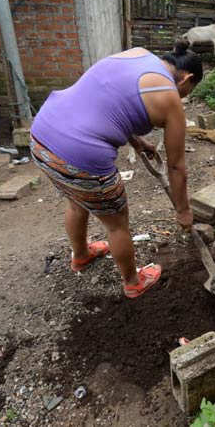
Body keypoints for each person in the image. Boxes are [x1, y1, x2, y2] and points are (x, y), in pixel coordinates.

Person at [29, 40, 203, 299]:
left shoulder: (137, 54)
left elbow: (109, 99)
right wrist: (184, 210)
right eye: (187, 92)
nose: (183, 97)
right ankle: (133, 282)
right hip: (81, 157)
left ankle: (81, 256)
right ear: (186, 79)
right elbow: (176, 166)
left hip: (42, 137)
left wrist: (137, 141)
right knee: (117, 224)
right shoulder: (169, 97)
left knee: (77, 202)